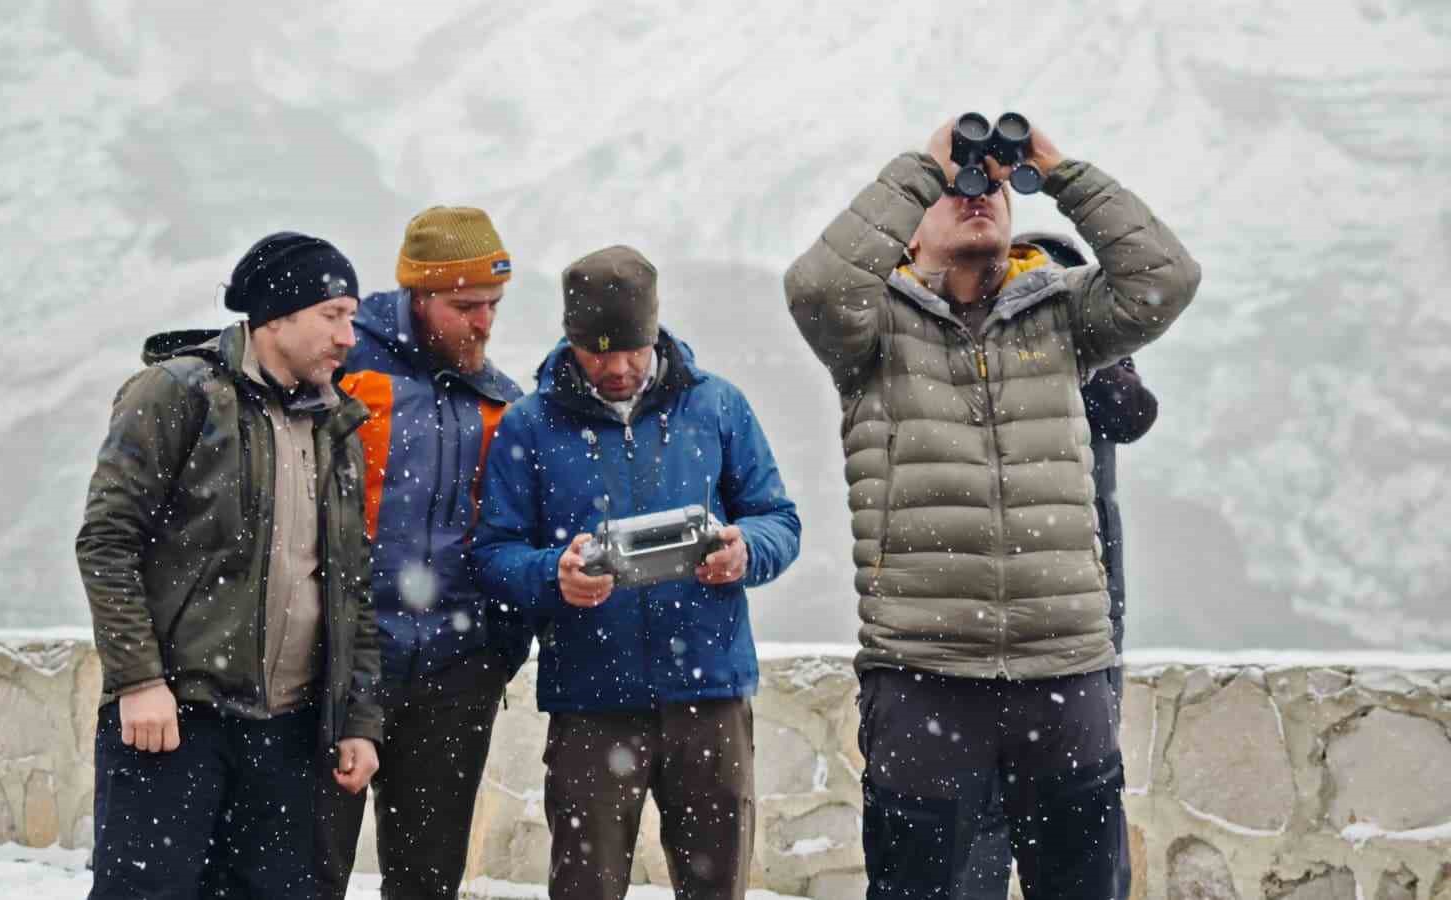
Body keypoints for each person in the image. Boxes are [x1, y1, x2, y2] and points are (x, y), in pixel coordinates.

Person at [783, 119, 1200, 898]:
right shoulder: (874, 330)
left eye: (993, 187)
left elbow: (1165, 278)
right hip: (924, 673)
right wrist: (921, 167)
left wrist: (1057, 167)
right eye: (953, 190)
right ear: (908, 231)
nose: (976, 197)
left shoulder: (1062, 314)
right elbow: (816, 287)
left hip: (1063, 669)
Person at [471, 245, 802, 900]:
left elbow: (779, 520)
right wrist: (554, 574)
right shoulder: (529, 425)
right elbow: (493, 554)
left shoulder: (718, 406)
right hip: (590, 704)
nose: (618, 368)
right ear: (570, 338)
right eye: (598, 352)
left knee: (717, 890)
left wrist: (746, 551)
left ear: (655, 331)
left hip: (710, 696)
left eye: (632, 348)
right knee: (585, 889)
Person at [76, 231, 384, 900]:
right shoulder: (176, 393)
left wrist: (357, 719)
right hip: (174, 720)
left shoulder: (336, 426)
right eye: (332, 316)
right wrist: (138, 681)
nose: (348, 337)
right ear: (276, 316)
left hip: (289, 733)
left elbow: (350, 586)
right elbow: (107, 542)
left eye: (352, 318)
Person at [315, 207, 532, 900]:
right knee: (305, 874)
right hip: (339, 669)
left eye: (494, 304)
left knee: (428, 883)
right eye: (466, 306)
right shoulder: (339, 371)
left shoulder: (501, 401)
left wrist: (495, 655)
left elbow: (515, 536)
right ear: (419, 294)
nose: (484, 323)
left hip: (455, 674)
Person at [955, 231, 1161, 900]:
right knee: (984, 803)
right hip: (986, 592)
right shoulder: (965, 331)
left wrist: (1073, 351)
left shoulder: (1085, 324)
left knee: (1081, 790)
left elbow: (1133, 413)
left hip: (1081, 591)